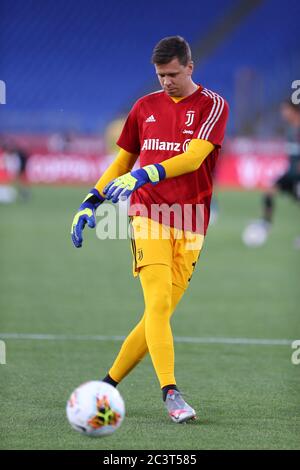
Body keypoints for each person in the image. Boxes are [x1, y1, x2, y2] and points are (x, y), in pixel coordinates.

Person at [71, 36, 229, 423]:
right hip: (149, 215)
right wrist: (90, 201)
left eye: (173, 74)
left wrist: (147, 172)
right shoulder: (144, 108)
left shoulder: (213, 106)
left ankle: (106, 385)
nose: (166, 82)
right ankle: (171, 393)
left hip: (191, 224)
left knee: (157, 315)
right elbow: (123, 160)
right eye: (160, 75)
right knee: (157, 304)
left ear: (190, 67)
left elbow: (193, 158)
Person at [244, 100, 300, 247]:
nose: (283, 113)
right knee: (269, 190)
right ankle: (265, 223)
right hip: (292, 173)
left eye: (285, 110)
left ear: (293, 110)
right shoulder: (290, 130)